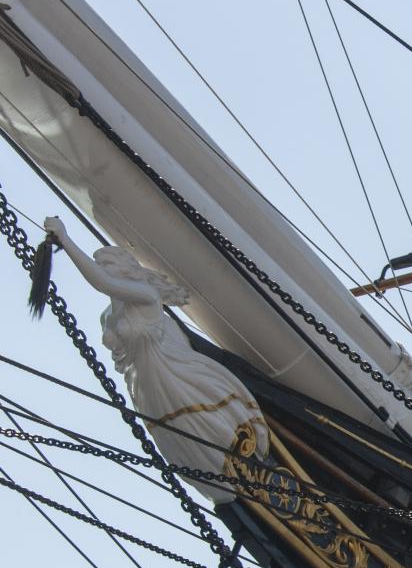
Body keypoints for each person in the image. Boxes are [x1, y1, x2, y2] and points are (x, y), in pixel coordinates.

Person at [43, 216, 267, 504]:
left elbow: (102, 284)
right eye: (101, 265)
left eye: (108, 264)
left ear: (126, 268)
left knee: (211, 434)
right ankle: (234, 493)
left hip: (172, 377)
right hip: (145, 390)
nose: (103, 269)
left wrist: (66, 240)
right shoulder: (107, 317)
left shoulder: (146, 297)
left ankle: (250, 481)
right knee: (186, 447)